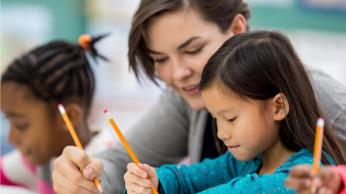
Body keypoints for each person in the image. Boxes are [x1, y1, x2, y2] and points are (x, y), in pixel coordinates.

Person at [52, 0, 346, 193]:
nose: (178, 73)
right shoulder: (239, 154)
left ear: (236, 30)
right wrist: (90, 174)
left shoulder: (325, 105)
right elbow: (130, 163)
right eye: (160, 59)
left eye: (192, 50)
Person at [123, 30, 346, 194]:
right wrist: (153, 182)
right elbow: (186, 178)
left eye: (230, 118)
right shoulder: (242, 161)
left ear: (278, 107)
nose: (221, 133)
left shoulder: (309, 174)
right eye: (216, 119)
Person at [0, 35, 113, 194]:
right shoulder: (42, 156)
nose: (11, 138)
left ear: (70, 117)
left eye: (21, 125)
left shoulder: (108, 167)